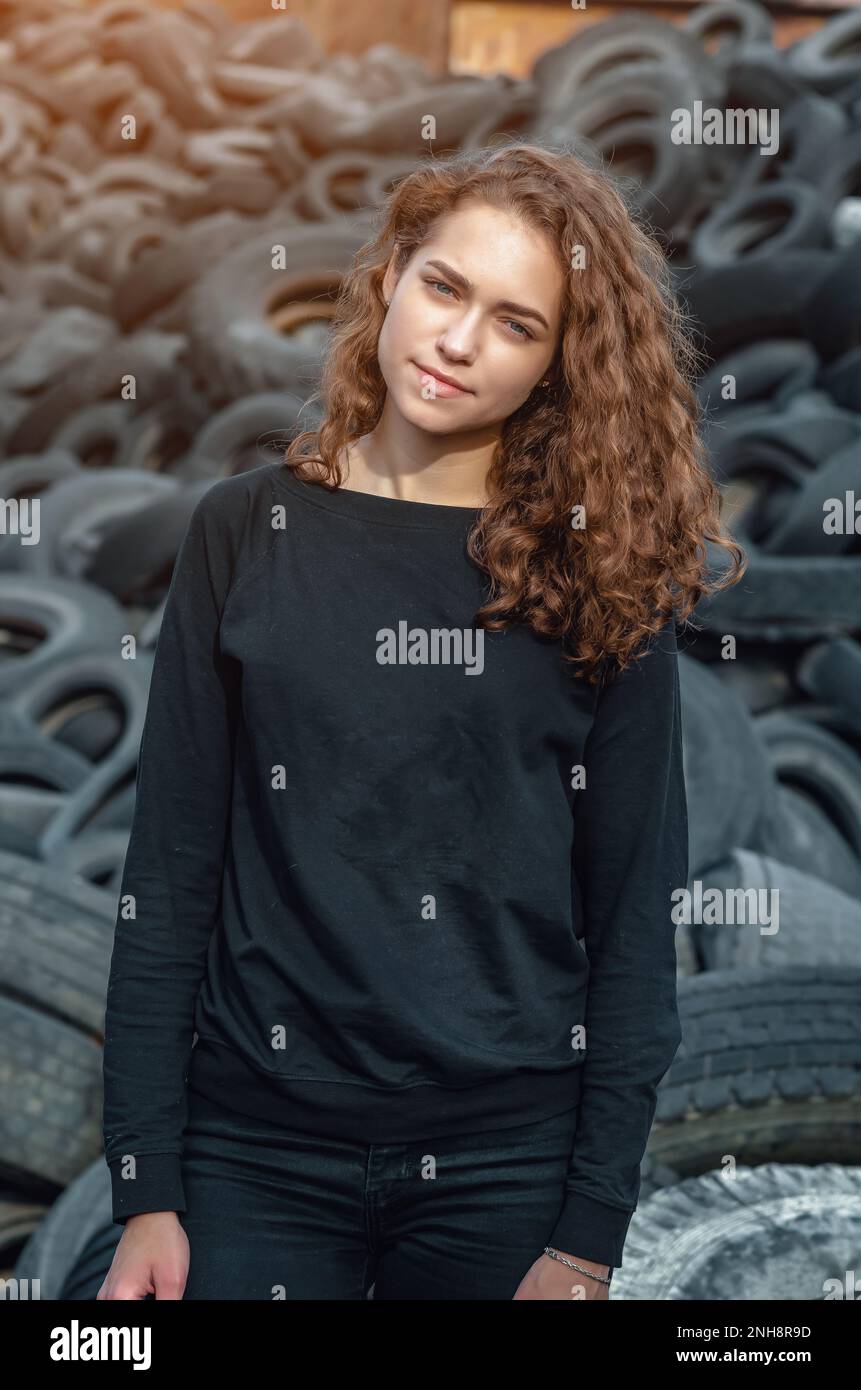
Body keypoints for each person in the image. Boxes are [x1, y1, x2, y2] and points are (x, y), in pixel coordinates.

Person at [97, 139, 745, 1301]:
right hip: (255, 1152)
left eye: (516, 323)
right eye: (445, 287)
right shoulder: (244, 531)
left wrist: (589, 1234)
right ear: (393, 270)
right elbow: (168, 874)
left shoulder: (607, 572)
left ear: (558, 365)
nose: (456, 342)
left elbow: (635, 920)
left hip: (506, 1171)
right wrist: (146, 1188)